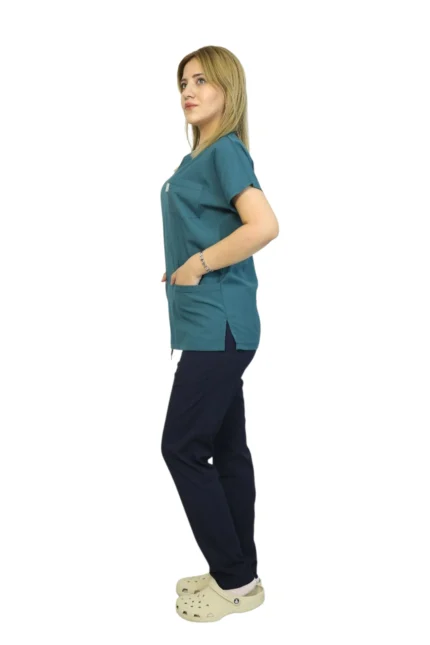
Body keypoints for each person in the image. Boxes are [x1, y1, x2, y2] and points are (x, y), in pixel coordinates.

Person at [159, 46, 279, 623]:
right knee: (227, 449)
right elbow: (211, 227)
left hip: (221, 327)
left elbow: (264, 225)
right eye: (184, 81)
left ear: (228, 91)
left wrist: (200, 263)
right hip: (210, 325)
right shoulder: (199, 157)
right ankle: (241, 576)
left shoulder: (226, 150)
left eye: (202, 80)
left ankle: (231, 578)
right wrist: (182, 266)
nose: (189, 90)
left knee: (181, 447)